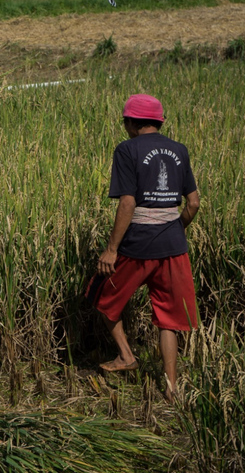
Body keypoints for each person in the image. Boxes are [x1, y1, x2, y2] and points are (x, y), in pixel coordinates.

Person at [95, 94, 200, 403]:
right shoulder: (179, 150)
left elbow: (128, 202)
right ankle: (171, 388)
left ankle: (126, 356)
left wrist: (112, 248)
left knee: (101, 293)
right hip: (174, 246)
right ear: (159, 122)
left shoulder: (127, 149)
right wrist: (175, 229)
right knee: (168, 317)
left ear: (131, 123)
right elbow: (193, 203)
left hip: (138, 245)